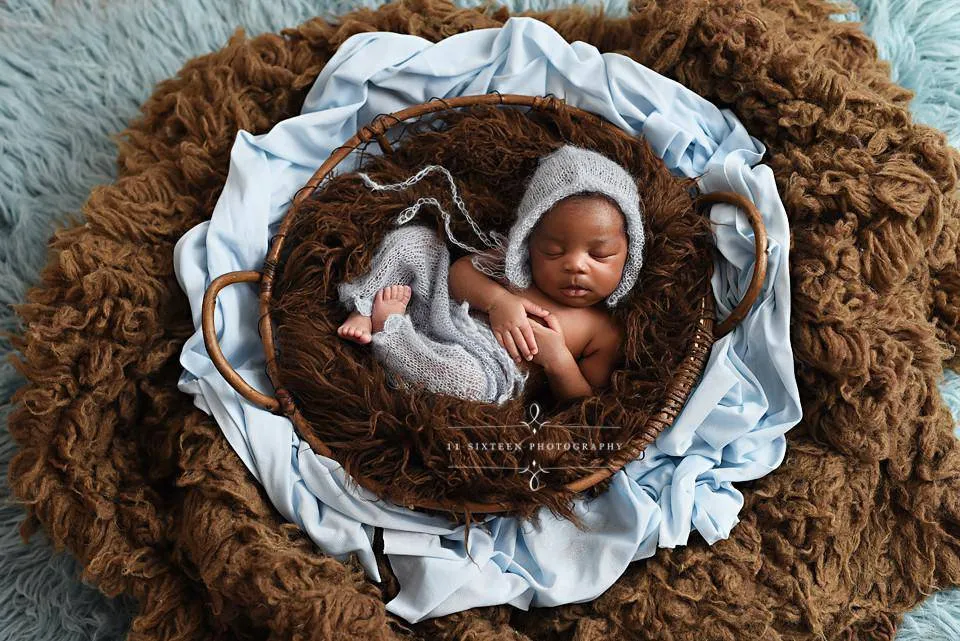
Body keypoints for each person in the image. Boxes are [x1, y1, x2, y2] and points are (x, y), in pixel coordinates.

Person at [337, 144, 645, 403]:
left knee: (464, 382)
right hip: (439, 309)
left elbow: (582, 402)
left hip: (487, 365)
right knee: (420, 241)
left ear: (628, 255)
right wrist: (499, 302)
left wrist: (558, 361)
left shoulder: (604, 332)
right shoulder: (514, 267)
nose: (576, 265)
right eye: (553, 250)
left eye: (599, 254)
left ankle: (392, 335)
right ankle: (364, 305)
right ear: (529, 244)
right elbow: (460, 273)